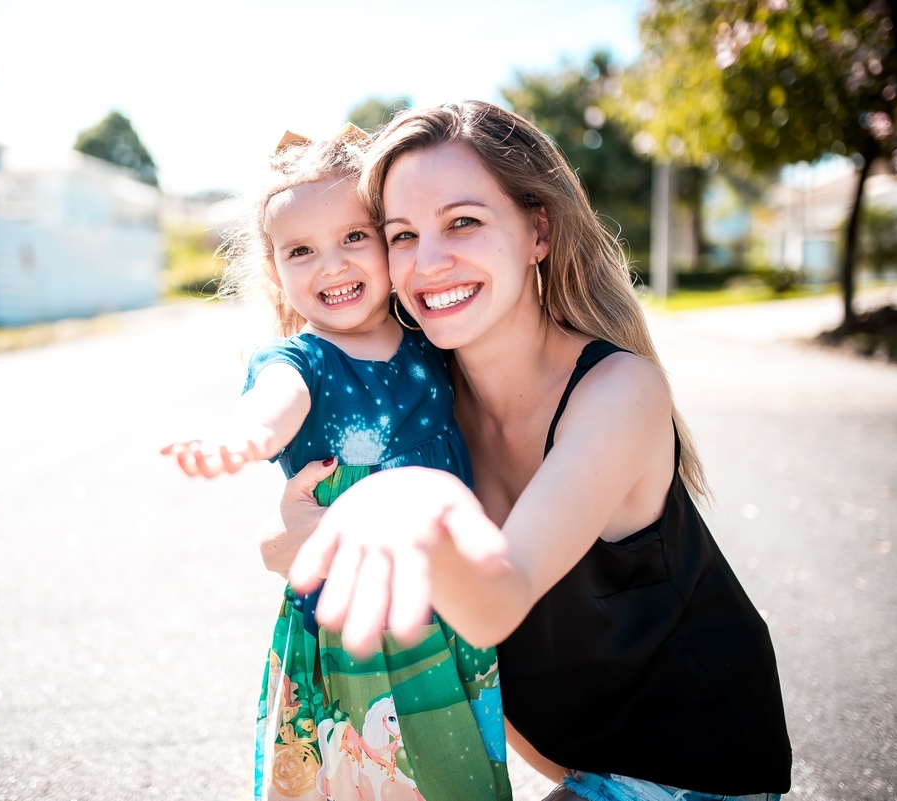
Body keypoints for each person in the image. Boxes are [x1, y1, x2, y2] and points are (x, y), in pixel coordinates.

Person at [265, 102, 791, 801]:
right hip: (575, 769)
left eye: (463, 223)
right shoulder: (423, 404)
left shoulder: (618, 392)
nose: (429, 261)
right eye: (401, 234)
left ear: (537, 230)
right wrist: (295, 539)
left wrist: (402, 505)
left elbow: (494, 602)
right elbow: (307, 530)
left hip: (694, 773)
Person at [161, 126, 512, 801]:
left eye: (354, 237)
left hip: (444, 602)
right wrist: (244, 438)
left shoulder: (428, 340)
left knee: (456, 767)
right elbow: (273, 402)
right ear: (275, 273)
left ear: (389, 240)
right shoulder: (302, 358)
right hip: (348, 615)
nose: (331, 265)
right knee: (355, 771)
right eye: (301, 250)